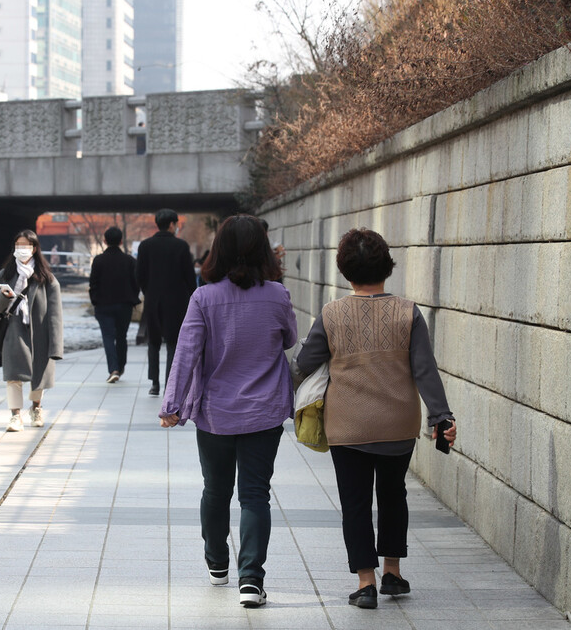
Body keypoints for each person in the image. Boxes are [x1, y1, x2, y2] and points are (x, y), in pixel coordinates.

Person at [295, 227, 457, 610]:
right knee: (393, 495)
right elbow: (425, 370)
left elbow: (303, 364)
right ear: (387, 266)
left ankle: (365, 583)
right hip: (397, 426)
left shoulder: (332, 314)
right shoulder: (408, 312)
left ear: (344, 270)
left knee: (354, 503)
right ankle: (393, 573)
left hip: (347, 427)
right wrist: (441, 416)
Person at [159, 214, 296, 609]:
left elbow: (187, 352)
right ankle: (251, 578)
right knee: (255, 495)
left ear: (218, 250)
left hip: (216, 413)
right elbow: (288, 338)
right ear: (264, 250)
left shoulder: (204, 297)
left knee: (215, 490)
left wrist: (172, 406)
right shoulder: (277, 294)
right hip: (264, 412)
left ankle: (217, 561)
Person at [0, 230, 63, 432]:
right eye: (18, 245)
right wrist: (4, 296)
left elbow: (55, 313)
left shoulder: (47, 278)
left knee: (39, 374)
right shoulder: (5, 275)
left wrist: (56, 346)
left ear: (34, 248)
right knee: (13, 374)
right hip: (14, 329)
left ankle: (36, 409)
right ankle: (15, 416)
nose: (22, 249)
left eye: (26, 245)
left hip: (40, 332)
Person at [136, 208, 196, 395]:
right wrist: (192, 297)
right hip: (177, 302)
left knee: (153, 342)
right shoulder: (181, 246)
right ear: (172, 224)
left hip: (153, 300)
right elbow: (189, 277)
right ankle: (171, 383)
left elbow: (139, 275)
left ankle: (154, 384)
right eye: (176, 224)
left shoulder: (145, 246)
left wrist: (149, 292)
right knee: (173, 343)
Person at [89, 227, 140, 384]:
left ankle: (113, 369)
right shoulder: (130, 261)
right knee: (121, 336)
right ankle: (121, 366)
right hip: (124, 305)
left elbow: (93, 283)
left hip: (103, 305)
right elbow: (136, 283)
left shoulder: (98, 260)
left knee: (108, 337)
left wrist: (95, 300)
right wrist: (133, 298)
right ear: (121, 241)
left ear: (104, 241)